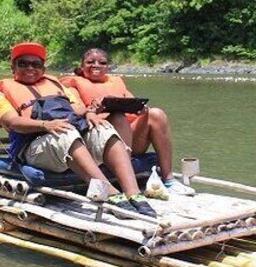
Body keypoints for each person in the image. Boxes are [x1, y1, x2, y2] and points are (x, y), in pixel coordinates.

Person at [0, 42, 157, 216]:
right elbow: (12, 122)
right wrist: (45, 125)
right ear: (13, 67)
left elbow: (77, 110)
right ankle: (108, 193)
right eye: (23, 63)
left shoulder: (57, 86)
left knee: (102, 129)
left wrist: (91, 112)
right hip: (34, 148)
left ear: (43, 69)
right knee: (65, 132)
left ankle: (133, 193)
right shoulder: (1, 95)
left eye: (36, 64)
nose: (30, 68)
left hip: (67, 137)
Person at [61, 48, 196, 195]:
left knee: (157, 114)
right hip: (98, 141)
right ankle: (126, 178)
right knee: (118, 117)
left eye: (102, 62)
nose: (96, 65)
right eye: (90, 62)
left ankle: (168, 179)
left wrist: (141, 109)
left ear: (107, 66)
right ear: (81, 66)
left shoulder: (116, 82)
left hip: (129, 140)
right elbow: (76, 111)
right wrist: (93, 110)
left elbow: (133, 103)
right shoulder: (72, 84)